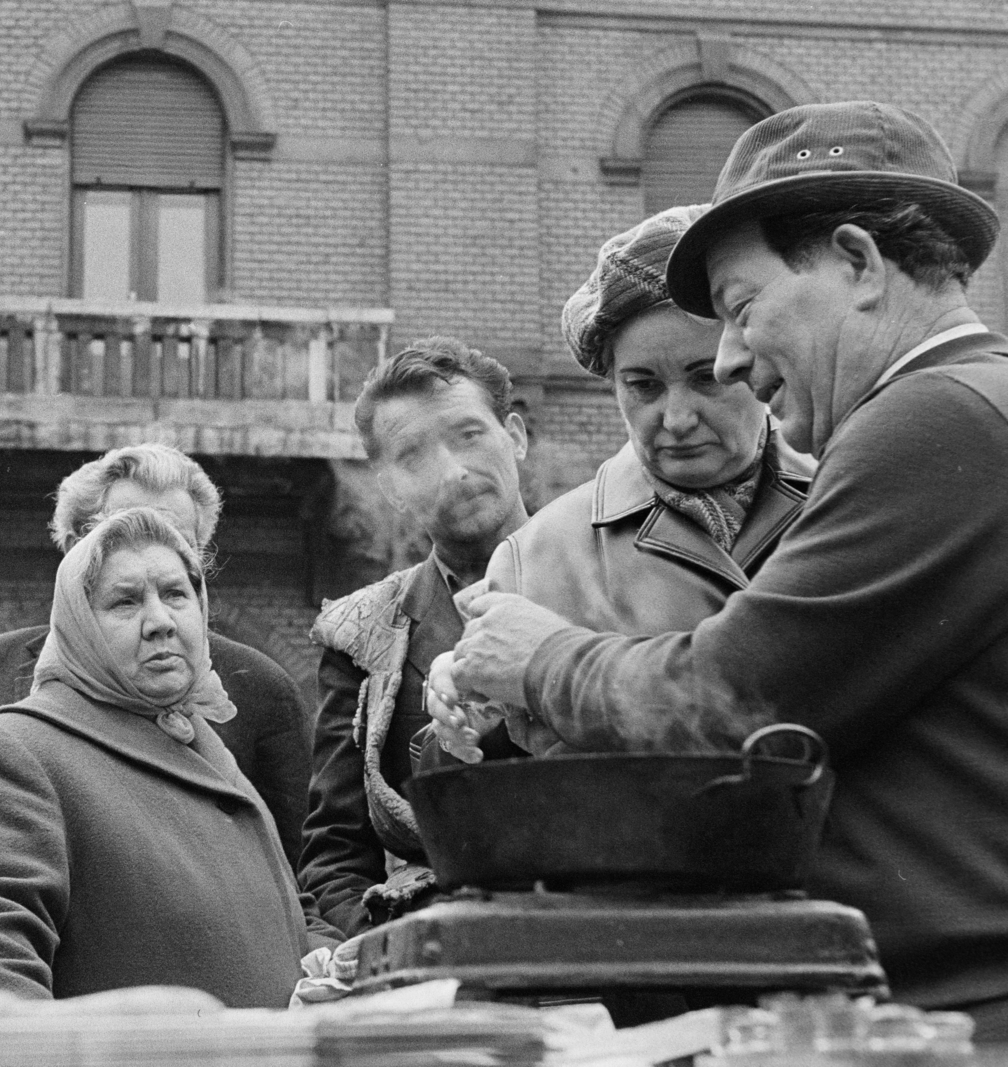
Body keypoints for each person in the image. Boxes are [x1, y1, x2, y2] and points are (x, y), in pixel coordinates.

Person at [433, 101, 1008, 1034]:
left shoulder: (930, 420)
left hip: (950, 1012)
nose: (736, 361)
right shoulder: (966, 406)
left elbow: (735, 700)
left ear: (859, 264)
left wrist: (542, 659)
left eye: (741, 312)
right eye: (645, 382)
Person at [427, 205, 812, 760]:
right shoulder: (535, 559)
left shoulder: (850, 495)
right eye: (644, 386)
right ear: (612, 384)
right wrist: (456, 717)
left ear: (754, 358)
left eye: (706, 378)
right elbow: (496, 782)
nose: (677, 418)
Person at [0, 507, 340, 1008]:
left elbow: (286, 910)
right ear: (78, 626)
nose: (160, 622)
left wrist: (336, 962)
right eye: (125, 602)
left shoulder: (203, 743)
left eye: (175, 594)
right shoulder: (15, 750)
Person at [0, 443, 312, 868]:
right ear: (75, 549)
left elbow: (294, 875)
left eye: (174, 541)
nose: (149, 552)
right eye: (122, 534)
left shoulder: (260, 689)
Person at [300, 337, 530, 937]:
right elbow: (336, 855)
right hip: (437, 964)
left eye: (469, 435)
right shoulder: (363, 635)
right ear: (390, 488)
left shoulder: (612, 579)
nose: (452, 472)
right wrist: (384, 953)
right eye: (413, 455)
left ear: (517, 436)